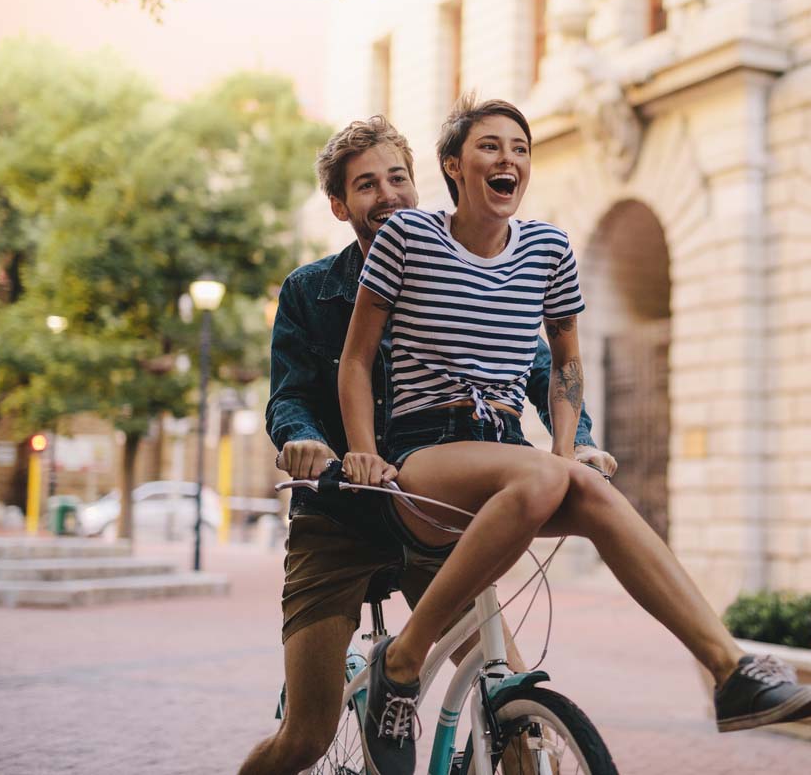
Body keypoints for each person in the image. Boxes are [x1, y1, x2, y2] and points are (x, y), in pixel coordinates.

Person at [339, 97, 811, 775]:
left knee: (590, 489)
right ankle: (403, 661)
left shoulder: (549, 248)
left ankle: (730, 669)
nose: (507, 158)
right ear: (454, 166)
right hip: (423, 456)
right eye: (489, 146)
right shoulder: (408, 239)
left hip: (507, 449)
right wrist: (365, 451)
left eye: (519, 146)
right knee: (545, 473)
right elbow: (357, 359)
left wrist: (568, 453)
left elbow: (566, 363)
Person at [238, 116, 600, 775]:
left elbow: (543, 367)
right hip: (340, 516)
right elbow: (289, 396)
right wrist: (306, 442)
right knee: (306, 736)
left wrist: (583, 443)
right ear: (341, 206)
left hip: (435, 517)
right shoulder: (309, 291)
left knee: (513, 711)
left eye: (398, 177)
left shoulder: (459, 265)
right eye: (367, 185)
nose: (389, 195)